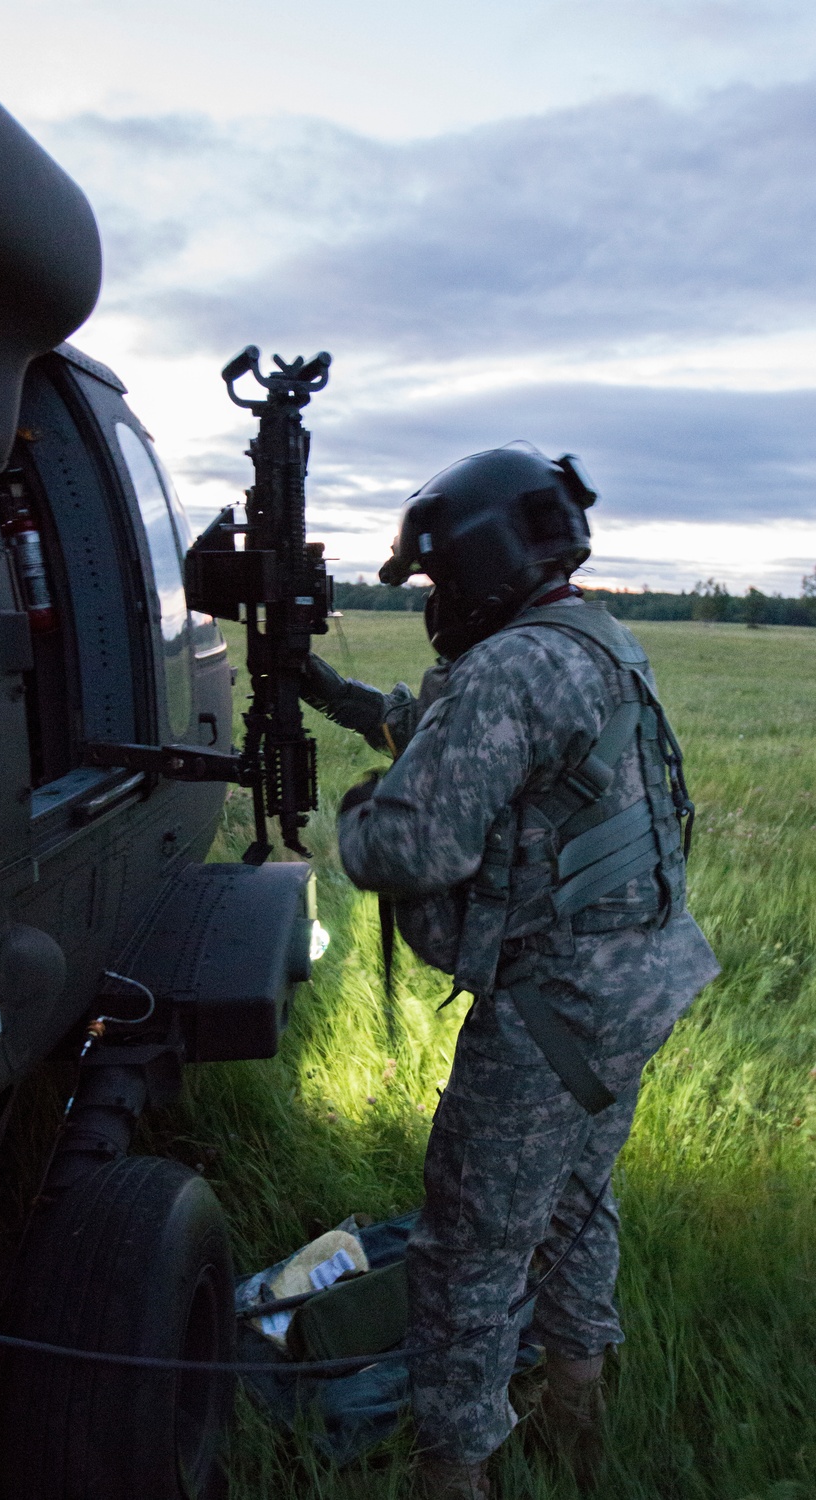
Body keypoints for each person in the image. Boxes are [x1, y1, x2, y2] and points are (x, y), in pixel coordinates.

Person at [301, 444, 719, 1499]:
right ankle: (575, 1411)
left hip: (551, 1012)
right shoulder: (587, 639)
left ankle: (454, 1475)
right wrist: (332, 693)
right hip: (633, 993)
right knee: (577, 1206)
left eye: (439, 580)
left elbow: (414, 845)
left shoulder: (512, 666)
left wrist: (358, 812)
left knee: (466, 1256)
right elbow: (469, 735)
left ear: (483, 563)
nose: (438, 602)